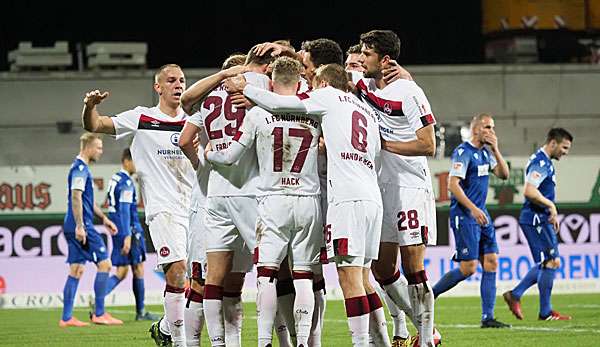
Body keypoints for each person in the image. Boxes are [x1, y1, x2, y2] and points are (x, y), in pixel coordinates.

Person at [226, 62, 390, 347]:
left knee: (348, 278)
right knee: (362, 277)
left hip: (344, 199)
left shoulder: (326, 96)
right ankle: (381, 341)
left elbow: (280, 104)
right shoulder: (365, 110)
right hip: (371, 198)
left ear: (324, 84)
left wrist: (246, 88)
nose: (311, 90)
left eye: (314, 84)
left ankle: (360, 343)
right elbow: (375, 154)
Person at [206, 56, 322, 347]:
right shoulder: (315, 111)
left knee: (267, 275)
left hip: (273, 201)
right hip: (308, 201)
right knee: (304, 276)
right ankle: (305, 342)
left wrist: (208, 154)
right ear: (299, 82)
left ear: (271, 82)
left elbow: (231, 157)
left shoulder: (257, 114)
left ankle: (263, 342)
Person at [82, 64, 196, 347]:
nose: (178, 85)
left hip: (195, 209)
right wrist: (90, 107)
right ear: (158, 87)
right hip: (163, 210)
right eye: (171, 80)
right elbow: (95, 125)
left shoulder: (195, 121)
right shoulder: (141, 118)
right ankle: (179, 343)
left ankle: (165, 328)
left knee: (198, 281)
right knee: (177, 270)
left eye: (182, 80)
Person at [179, 46, 273, 347]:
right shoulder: (258, 88)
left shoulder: (208, 97)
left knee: (211, 280)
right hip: (250, 190)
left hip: (214, 193)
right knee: (268, 271)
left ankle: (214, 343)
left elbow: (184, 133)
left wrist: (203, 161)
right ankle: (266, 340)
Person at [353, 29, 439, 347]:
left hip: (410, 188)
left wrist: (384, 144)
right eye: (360, 53)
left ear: (385, 59)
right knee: (382, 268)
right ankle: (427, 328)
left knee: (413, 268)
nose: (361, 59)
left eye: (367, 53)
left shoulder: (409, 93)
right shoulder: (365, 86)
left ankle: (427, 338)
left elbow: (428, 144)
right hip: (381, 188)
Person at [431, 113, 511, 328]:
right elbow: (452, 184)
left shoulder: (487, 153)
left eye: (493, 127)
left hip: (481, 215)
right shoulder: (463, 152)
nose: (491, 131)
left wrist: (496, 149)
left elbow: (504, 175)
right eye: (487, 127)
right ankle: (431, 294)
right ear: (476, 129)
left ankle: (488, 317)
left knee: (492, 262)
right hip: (465, 216)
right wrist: (473, 209)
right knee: (468, 268)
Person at [503, 128, 573, 321]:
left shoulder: (544, 161)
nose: (565, 152)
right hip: (535, 218)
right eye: (564, 147)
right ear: (553, 143)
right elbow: (529, 191)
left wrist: (550, 209)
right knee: (551, 261)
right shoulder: (541, 162)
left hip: (539, 218)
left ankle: (516, 295)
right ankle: (544, 312)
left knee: (548, 262)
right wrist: (551, 205)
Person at [59, 133, 121, 327]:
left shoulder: (81, 168)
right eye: (99, 148)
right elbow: (76, 196)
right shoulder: (79, 168)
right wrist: (80, 226)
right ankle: (99, 313)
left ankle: (66, 318)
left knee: (76, 270)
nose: (101, 152)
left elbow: (87, 200)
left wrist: (103, 218)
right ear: (88, 148)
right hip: (81, 225)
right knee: (105, 265)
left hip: (74, 224)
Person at [104, 148, 159, 321]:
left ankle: (98, 299)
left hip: (118, 228)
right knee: (138, 268)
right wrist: (128, 235)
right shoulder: (127, 182)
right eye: (135, 160)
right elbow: (126, 210)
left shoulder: (115, 179)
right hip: (129, 230)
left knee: (122, 271)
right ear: (127, 161)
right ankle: (140, 312)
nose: (138, 165)